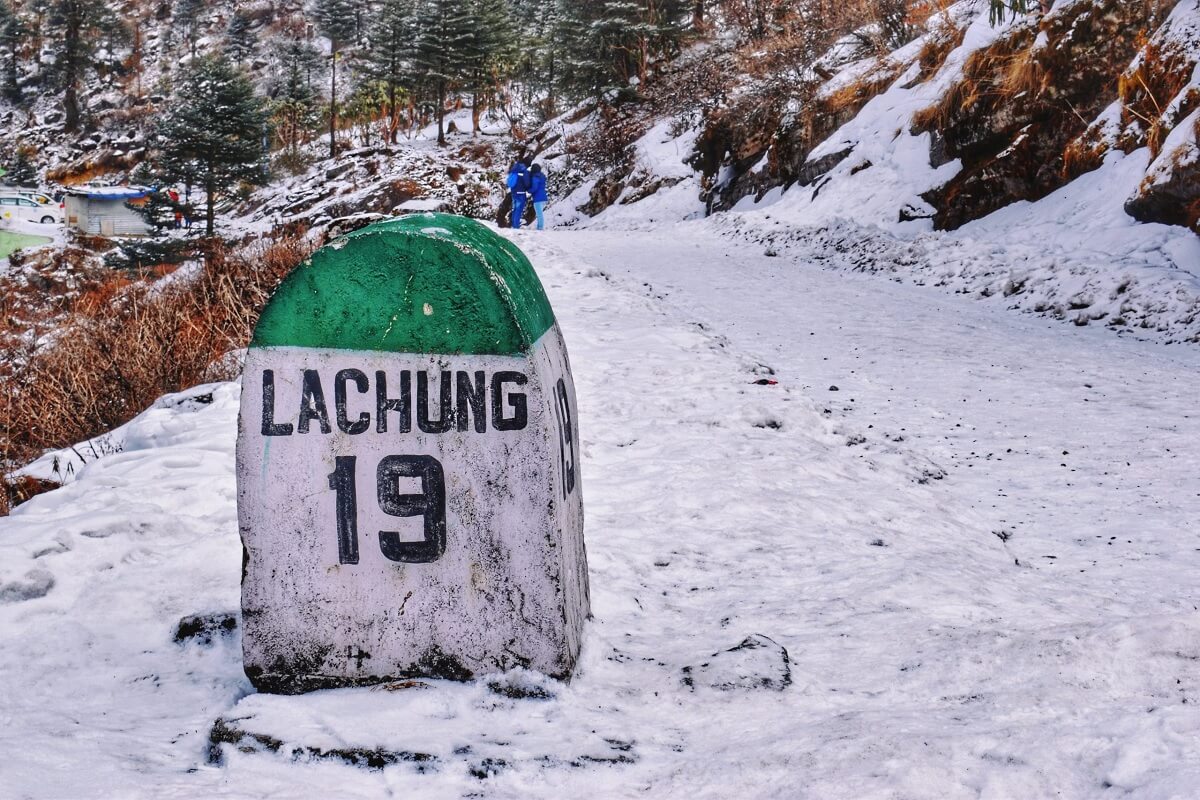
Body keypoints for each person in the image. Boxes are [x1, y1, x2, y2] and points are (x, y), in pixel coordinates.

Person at [506, 160, 531, 229]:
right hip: (521, 194)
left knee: (515, 209)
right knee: (518, 210)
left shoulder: (514, 171)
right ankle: (516, 226)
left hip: (513, 193)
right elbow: (527, 183)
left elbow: (509, 183)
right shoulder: (524, 172)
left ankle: (514, 224)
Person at [529, 164, 548, 230]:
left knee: (539, 214)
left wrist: (529, 190)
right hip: (543, 197)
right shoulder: (542, 176)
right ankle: (539, 227)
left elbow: (534, 187)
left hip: (538, 198)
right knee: (540, 213)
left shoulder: (535, 177)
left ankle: (540, 228)